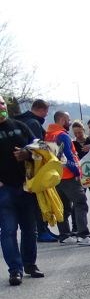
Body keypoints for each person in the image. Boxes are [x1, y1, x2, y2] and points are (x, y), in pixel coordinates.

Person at [45, 111, 90, 246]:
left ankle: (65, 235)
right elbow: (68, 157)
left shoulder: (49, 135)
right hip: (68, 176)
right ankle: (83, 235)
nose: (69, 122)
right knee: (80, 203)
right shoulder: (62, 135)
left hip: (55, 177)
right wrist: (76, 173)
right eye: (68, 120)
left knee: (63, 206)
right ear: (62, 120)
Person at [0, 97, 38, 285]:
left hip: (27, 187)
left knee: (30, 229)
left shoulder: (20, 126)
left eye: (2, 103)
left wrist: (27, 153)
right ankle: (15, 270)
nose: (1, 107)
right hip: (4, 191)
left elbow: (41, 148)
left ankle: (30, 264)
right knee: (8, 231)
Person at [14, 99, 58, 244]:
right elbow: (39, 148)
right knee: (40, 200)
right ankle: (42, 231)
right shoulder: (33, 123)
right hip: (33, 168)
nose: (46, 115)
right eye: (46, 111)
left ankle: (40, 230)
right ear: (41, 110)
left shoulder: (20, 121)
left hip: (20, 168)